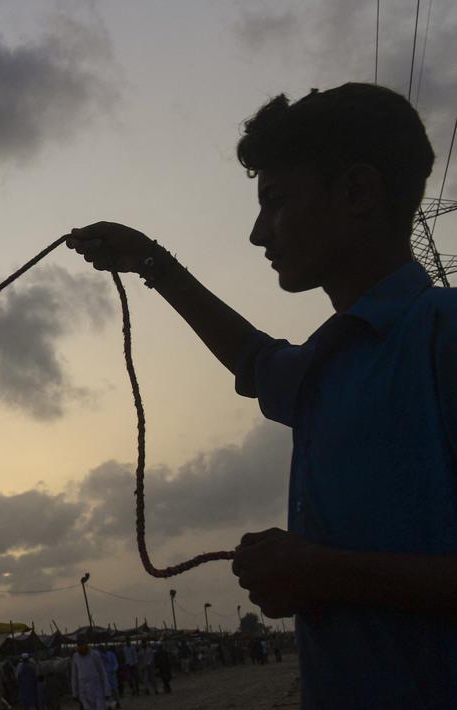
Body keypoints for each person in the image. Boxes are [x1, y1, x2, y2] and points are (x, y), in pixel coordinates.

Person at [66, 82, 456, 707]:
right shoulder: (329, 362)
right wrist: (151, 262)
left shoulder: (442, 334)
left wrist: (319, 572)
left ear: (356, 192)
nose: (255, 233)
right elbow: (254, 360)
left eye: (273, 201)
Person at [69, 641, 110, 710]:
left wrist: (107, 691)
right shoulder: (76, 657)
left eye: (83, 644)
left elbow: (102, 673)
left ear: (86, 644)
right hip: (84, 692)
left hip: (97, 690)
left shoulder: (94, 654)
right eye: (79, 645)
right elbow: (74, 676)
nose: (81, 646)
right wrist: (75, 693)